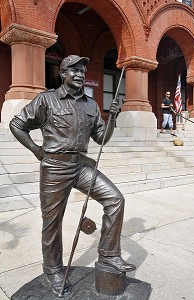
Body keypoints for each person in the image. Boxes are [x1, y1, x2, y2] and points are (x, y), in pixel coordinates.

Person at [9, 55, 135, 295]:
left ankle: (109, 255)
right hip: (55, 167)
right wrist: (37, 150)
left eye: (83, 71)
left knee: (115, 199)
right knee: (52, 222)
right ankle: (53, 270)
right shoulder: (46, 100)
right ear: (63, 73)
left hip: (81, 166)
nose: (80, 74)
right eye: (74, 70)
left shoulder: (91, 104)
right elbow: (17, 124)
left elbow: (101, 139)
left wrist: (113, 118)